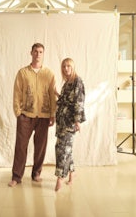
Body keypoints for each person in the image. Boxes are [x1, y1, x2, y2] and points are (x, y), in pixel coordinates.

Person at [8, 43, 56, 187]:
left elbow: (52, 95)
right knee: (21, 147)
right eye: (36, 51)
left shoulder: (49, 74)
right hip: (26, 116)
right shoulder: (22, 73)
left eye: (41, 52)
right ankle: (16, 177)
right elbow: (17, 93)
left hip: (44, 116)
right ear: (31, 53)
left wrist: (52, 114)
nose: (38, 54)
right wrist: (18, 112)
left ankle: (36, 173)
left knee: (40, 147)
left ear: (43, 54)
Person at [54, 58, 86, 191]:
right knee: (66, 149)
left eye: (68, 66)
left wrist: (77, 121)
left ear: (73, 67)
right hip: (61, 121)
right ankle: (72, 174)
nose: (66, 68)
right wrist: (56, 93)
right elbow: (63, 101)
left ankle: (60, 179)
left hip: (70, 122)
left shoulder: (77, 81)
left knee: (62, 150)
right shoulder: (67, 83)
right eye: (64, 66)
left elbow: (79, 102)